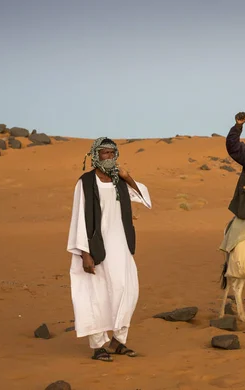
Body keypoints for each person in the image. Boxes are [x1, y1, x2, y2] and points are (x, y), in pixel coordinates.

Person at [67, 137, 152, 362]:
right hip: (95, 247)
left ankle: (118, 341)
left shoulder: (119, 181)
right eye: (105, 153)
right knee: (96, 295)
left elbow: (144, 199)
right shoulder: (85, 182)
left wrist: (126, 176)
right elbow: (79, 218)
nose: (109, 157)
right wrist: (84, 253)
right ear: (96, 155)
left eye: (113, 153)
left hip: (121, 247)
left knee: (127, 290)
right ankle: (98, 346)